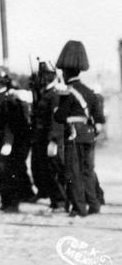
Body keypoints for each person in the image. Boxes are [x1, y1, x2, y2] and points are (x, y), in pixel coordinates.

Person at [52, 40, 105, 217]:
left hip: (74, 135)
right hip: (89, 135)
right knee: (88, 171)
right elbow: (98, 116)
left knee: (73, 172)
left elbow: (59, 117)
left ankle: (79, 208)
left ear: (66, 72)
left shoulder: (68, 92)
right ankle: (94, 204)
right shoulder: (89, 92)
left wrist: (56, 107)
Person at [0, 66, 34, 212]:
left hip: (6, 140)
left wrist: (8, 142)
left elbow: (12, 123)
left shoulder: (11, 99)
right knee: (0, 172)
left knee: (9, 172)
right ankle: (5, 201)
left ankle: (13, 203)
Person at [33, 62, 68, 211]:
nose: (41, 78)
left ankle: (60, 202)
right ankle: (55, 201)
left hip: (51, 140)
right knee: (46, 171)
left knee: (55, 171)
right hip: (42, 139)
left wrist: (53, 140)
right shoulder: (45, 93)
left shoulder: (54, 95)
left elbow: (55, 120)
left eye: (43, 75)